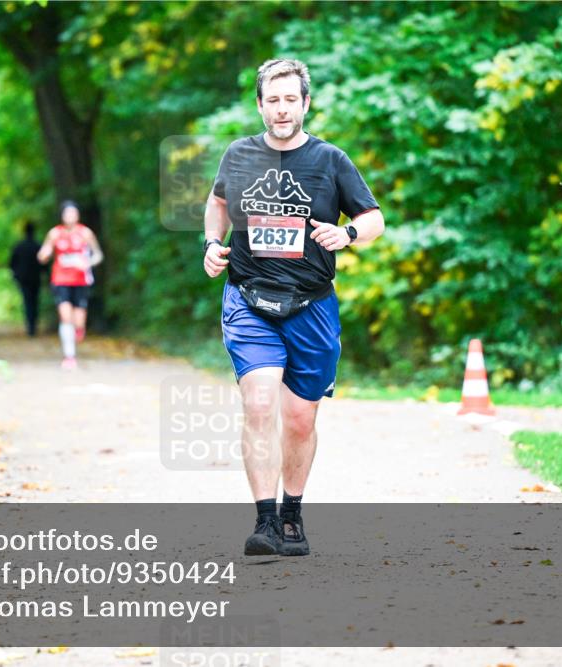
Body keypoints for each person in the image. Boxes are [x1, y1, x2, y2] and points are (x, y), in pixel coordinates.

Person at [202, 59, 385, 556]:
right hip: (248, 299)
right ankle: (264, 523)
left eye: (290, 100)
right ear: (260, 105)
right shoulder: (238, 155)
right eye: (272, 100)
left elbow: (374, 218)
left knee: (300, 419)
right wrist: (210, 244)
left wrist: (345, 234)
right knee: (259, 403)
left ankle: (291, 515)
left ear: (305, 104)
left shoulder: (330, 160)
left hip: (312, 305)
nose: (281, 109)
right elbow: (217, 203)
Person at [37, 200, 104, 370]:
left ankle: (78, 331)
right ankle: (69, 356)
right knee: (65, 317)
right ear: (62, 216)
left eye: (73, 213)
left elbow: (98, 255)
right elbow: (43, 253)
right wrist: (44, 254)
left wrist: (88, 262)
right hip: (60, 280)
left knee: (78, 322)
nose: (70, 217)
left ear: (78, 215)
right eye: (67, 213)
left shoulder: (85, 233)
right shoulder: (55, 233)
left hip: (81, 281)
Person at [9, 222, 46, 337]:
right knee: (34, 302)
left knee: (27, 301)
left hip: (23, 279)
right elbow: (44, 264)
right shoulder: (38, 245)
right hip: (35, 278)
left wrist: (15, 275)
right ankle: (32, 326)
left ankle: (30, 326)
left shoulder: (19, 246)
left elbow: (12, 263)